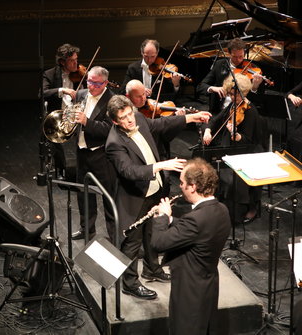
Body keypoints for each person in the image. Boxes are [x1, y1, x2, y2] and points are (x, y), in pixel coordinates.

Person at [105, 95, 210, 299]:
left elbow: (160, 123)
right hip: (135, 198)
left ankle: (152, 269)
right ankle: (130, 283)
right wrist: (161, 165)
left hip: (156, 190)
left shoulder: (139, 118)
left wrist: (190, 118)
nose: (130, 120)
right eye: (124, 118)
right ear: (115, 121)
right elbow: (129, 171)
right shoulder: (114, 142)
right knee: (133, 243)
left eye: (129, 114)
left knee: (153, 234)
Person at [150, 157, 231, 335]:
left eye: (182, 183)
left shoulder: (195, 219)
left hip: (190, 290)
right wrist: (172, 220)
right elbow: (199, 231)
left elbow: (158, 243)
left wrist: (163, 217)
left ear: (193, 186)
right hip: (208, 283)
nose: (180, 186)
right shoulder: (221, 210)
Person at [202, 73, 266, 223]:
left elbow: (248, 140)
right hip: (233, 148)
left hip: (249, 151)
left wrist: (235, 134)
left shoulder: (250, 111)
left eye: (235, 94)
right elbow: (216, 119)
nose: (231, 97)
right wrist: (208, 130)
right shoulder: (233, 105)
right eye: (230, 93)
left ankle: (249, 207)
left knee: (232, 180)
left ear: (244, 92)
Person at [71, 66, 116, 242]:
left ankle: (114, 235)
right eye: (89, 81)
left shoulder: (112, 100)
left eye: (96, 84)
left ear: (105, 83)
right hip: (82, 152)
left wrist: (86, 122)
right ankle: (86, 230)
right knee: (83, 195)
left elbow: (109, 129)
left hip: (101, 156)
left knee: (108, 196)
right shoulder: (81, 94)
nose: (91, 86)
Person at [41, 43, 82, 179]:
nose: (76, 63)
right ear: (62, 62)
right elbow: (42, 93)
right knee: (53, 138)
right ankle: (61, 169)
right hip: (59, 114)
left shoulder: (81, 74)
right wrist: (62, 90)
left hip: (76, 113)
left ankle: (85, 167)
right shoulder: (50, 74)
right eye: (72, 60)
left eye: (77, 59)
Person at [196, 38, 264, 115]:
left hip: (242, 112)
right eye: (235, 56)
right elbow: (200, 86)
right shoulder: (219, 64)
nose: (238, 60)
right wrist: (213, 88)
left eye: (241, 56)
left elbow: (258, 100)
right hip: (219, 111)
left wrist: (254, 87)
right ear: (228, 53)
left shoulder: (252, 68)